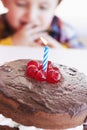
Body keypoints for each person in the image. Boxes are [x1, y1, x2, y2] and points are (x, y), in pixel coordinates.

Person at [0, 0, 84, 48]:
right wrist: (11, 44)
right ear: (5, 2)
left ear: (55, 7)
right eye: (21, 4)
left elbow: (80, 58)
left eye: (43, 7)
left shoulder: (65, 31)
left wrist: (60, 52)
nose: (31, 16)